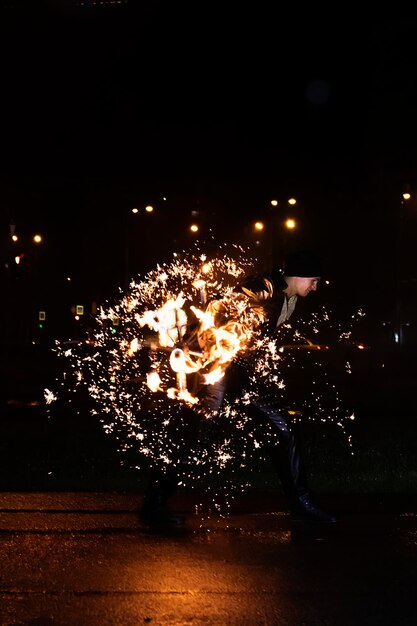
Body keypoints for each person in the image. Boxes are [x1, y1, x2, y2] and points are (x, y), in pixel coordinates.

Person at [140, 250, 337, 526]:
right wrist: (246, 316)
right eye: (313, 280)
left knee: (284, 428)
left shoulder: (291, 299)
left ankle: (302, 504)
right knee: (201, 436)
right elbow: (239, 297)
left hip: (242, 373)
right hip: (218, 368)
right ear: (298, 275)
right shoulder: (268, 286)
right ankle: (154, 502)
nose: (315, 287)